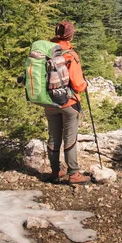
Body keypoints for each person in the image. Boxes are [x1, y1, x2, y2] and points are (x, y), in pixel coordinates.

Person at [44, 21, 91, 185]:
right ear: (70, 35)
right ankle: (73, 173)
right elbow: (78, 85)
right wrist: (85, 84)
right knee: (69, 138)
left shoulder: (46, 52)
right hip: (68, 103)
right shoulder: (70, 55)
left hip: (50, 103)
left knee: (53, 138)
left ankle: (55, 171)